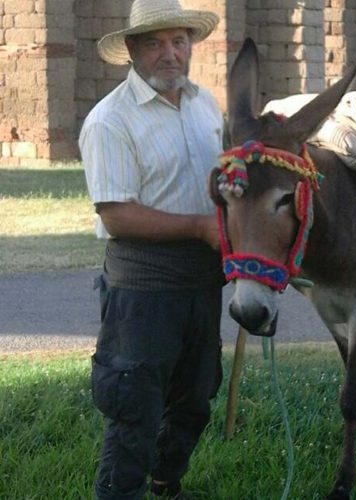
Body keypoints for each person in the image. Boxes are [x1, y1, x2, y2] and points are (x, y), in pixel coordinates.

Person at [78, 1, 225, 498]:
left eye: (178, 41)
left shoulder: (206, 105)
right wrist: (202, 226)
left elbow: (221, 181)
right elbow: (116, 214)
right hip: (143, 292)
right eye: (155, 43)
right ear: (133, 51)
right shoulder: (109, 121)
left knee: (196, 396)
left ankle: (166, 481)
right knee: (133, 406)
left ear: (190, 45)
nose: (170, 53)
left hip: (203, 281)